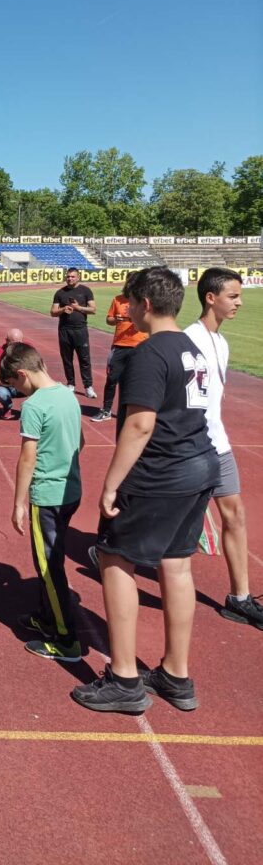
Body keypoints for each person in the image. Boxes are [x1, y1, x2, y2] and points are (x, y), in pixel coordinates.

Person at [72, 267, 219, 715]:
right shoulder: (193, 348)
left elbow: (139, 425)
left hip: (161, 470)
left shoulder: (149, 353)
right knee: (176, 564)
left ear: (146, 304)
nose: (127, 310)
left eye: (131, 303)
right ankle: (175, 674)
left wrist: (111, 484)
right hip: (198, 464)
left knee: (116, 559)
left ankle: (123, 678)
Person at [185, 268, 262, 630]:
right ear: (210, 298)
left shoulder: (222, 342)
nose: (239, 303)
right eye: (233, 296)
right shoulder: (189, 341)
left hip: (219, 444)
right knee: (168, 520)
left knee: (235, 515)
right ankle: (113, 548)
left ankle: (239, 598)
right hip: (191, 447)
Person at [0, 342, 84, 661]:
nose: (16, 392)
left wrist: (18, 503)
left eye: (14, 385)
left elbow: (27, 457)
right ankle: (47, 616)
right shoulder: (68, 395)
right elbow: (80, 442)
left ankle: (66, 640)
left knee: (49, 566)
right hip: (71, 490)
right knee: (53, 557)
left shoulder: (34, 406)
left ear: (22, 374)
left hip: (48, 495)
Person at [91, 276, 148, 422]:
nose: (131, 285)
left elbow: (150, 320)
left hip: (139, 345)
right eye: (129, 282)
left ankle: (135, 412)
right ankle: (106, 410)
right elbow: (109, 319)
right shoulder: (118, 299)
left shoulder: (145, 301)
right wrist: (118, 319)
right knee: (111, 379)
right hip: (119, 345)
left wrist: (135, 319)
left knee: (137, 380)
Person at [51, 268, 97, 399]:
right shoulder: (60, 293)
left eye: (72, 276)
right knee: (67, 359)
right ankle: (71, 384)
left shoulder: (86, 291)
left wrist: (78, 308)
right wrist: (63, 309)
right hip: (64, 330)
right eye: (68, 276)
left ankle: (88, 387)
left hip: (80, 329)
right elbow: (53, 312)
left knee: (84, 359)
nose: (69, 279)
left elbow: (93, 309)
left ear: (78, 277)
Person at [0, 327, 24, 418]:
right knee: (0, 392)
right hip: (8, 386)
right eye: (13, 343)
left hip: (24, 384)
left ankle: (30, 407)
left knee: (40, 388)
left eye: (19, 343)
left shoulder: (28, 349)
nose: (16, 346)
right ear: (6, 341)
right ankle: (7, 406)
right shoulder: (0, 353)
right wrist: (11, 384)